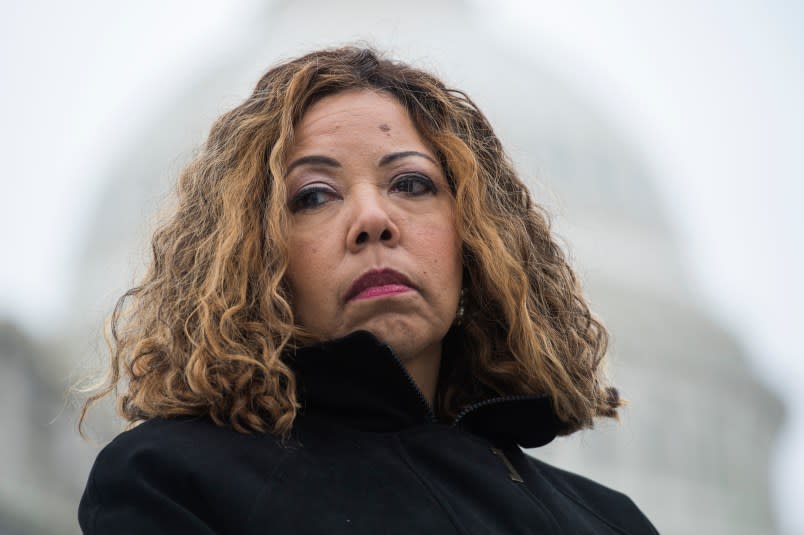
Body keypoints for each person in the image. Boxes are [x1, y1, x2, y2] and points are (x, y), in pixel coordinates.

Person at [78, 47, 658, 534]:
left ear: (475, 237)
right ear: (257, 256)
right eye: (314, 195)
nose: (372, 218)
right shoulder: (171, 481)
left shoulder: (608, 522)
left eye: (410, 183)